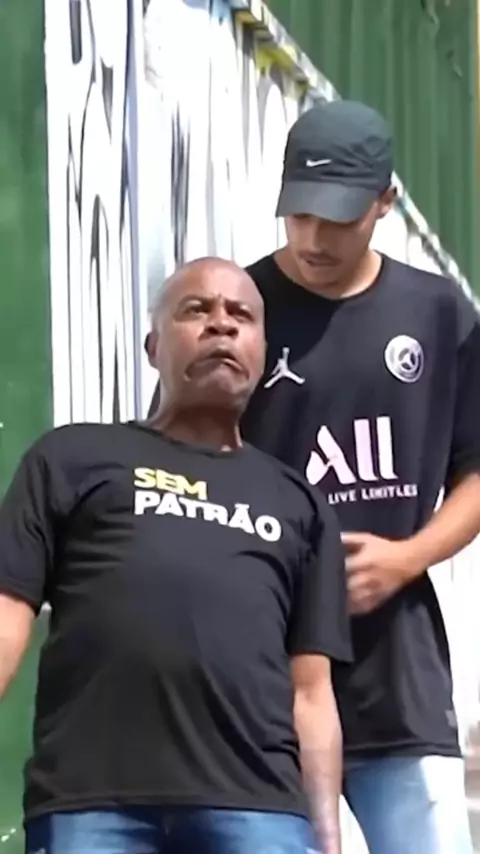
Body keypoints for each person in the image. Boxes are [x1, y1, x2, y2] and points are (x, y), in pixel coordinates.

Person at [0, 258, 351, 854]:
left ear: (263, 352)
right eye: (197, 310)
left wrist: (328, 839)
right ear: (153, 346)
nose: (222, 325)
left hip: (258, 809)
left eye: (241, 315)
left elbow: (312, 693)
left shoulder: (300, 504)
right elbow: (8, 616)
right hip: (92, 804)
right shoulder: (71, 458)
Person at [238, 100, 480, 854]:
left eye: (338, 218)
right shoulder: (236, 311)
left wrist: (407, 558)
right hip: (257, 670)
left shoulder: (438, 313)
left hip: (396, 675)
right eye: (300, 214)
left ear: (385, 202)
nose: (313, 238)